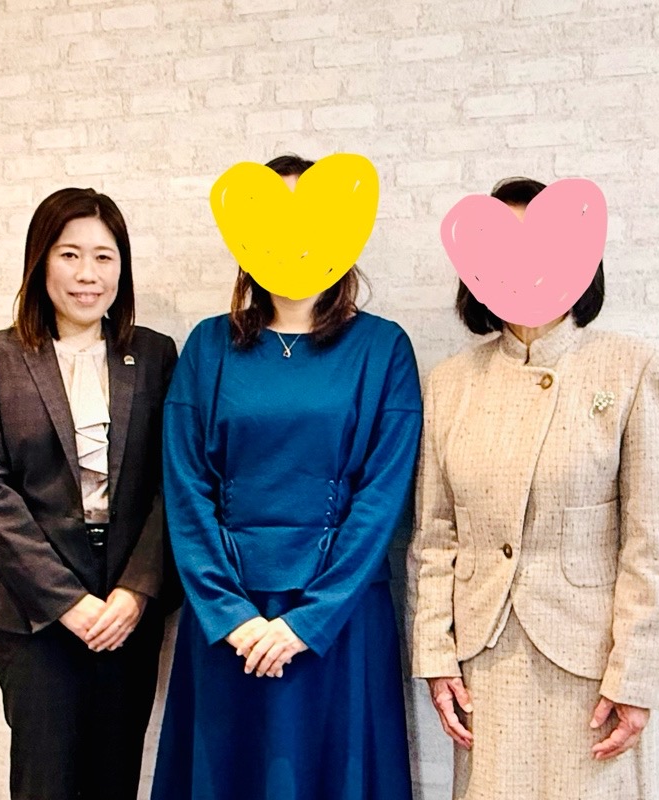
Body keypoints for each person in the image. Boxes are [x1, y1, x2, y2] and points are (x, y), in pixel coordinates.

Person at [151, 155, 422, 800]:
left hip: (340, 617)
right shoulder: (208, 346)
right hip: (229, 620)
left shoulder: (383, 348)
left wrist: (310, 621)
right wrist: (229, 614)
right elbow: (186, 490)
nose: (296, 238)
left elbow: (382, 500)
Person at [408, 177, 659, 799]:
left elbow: (653, 541)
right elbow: (435, 535)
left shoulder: (633, 368)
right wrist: (435, 656)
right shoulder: (451, 383)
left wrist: (636, 677)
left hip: (593, 667)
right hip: (485, 662)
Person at [0, 187, 179, 800]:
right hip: (33, 614)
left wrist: (136, 590)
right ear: (41, 261)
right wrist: (67, 603)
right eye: (70, 254)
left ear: (122, 268)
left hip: (127, 610)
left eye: (104, 257)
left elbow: (174, 481)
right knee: (45, 783)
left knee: (115, 780)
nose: (88, 275)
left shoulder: (154, 354)